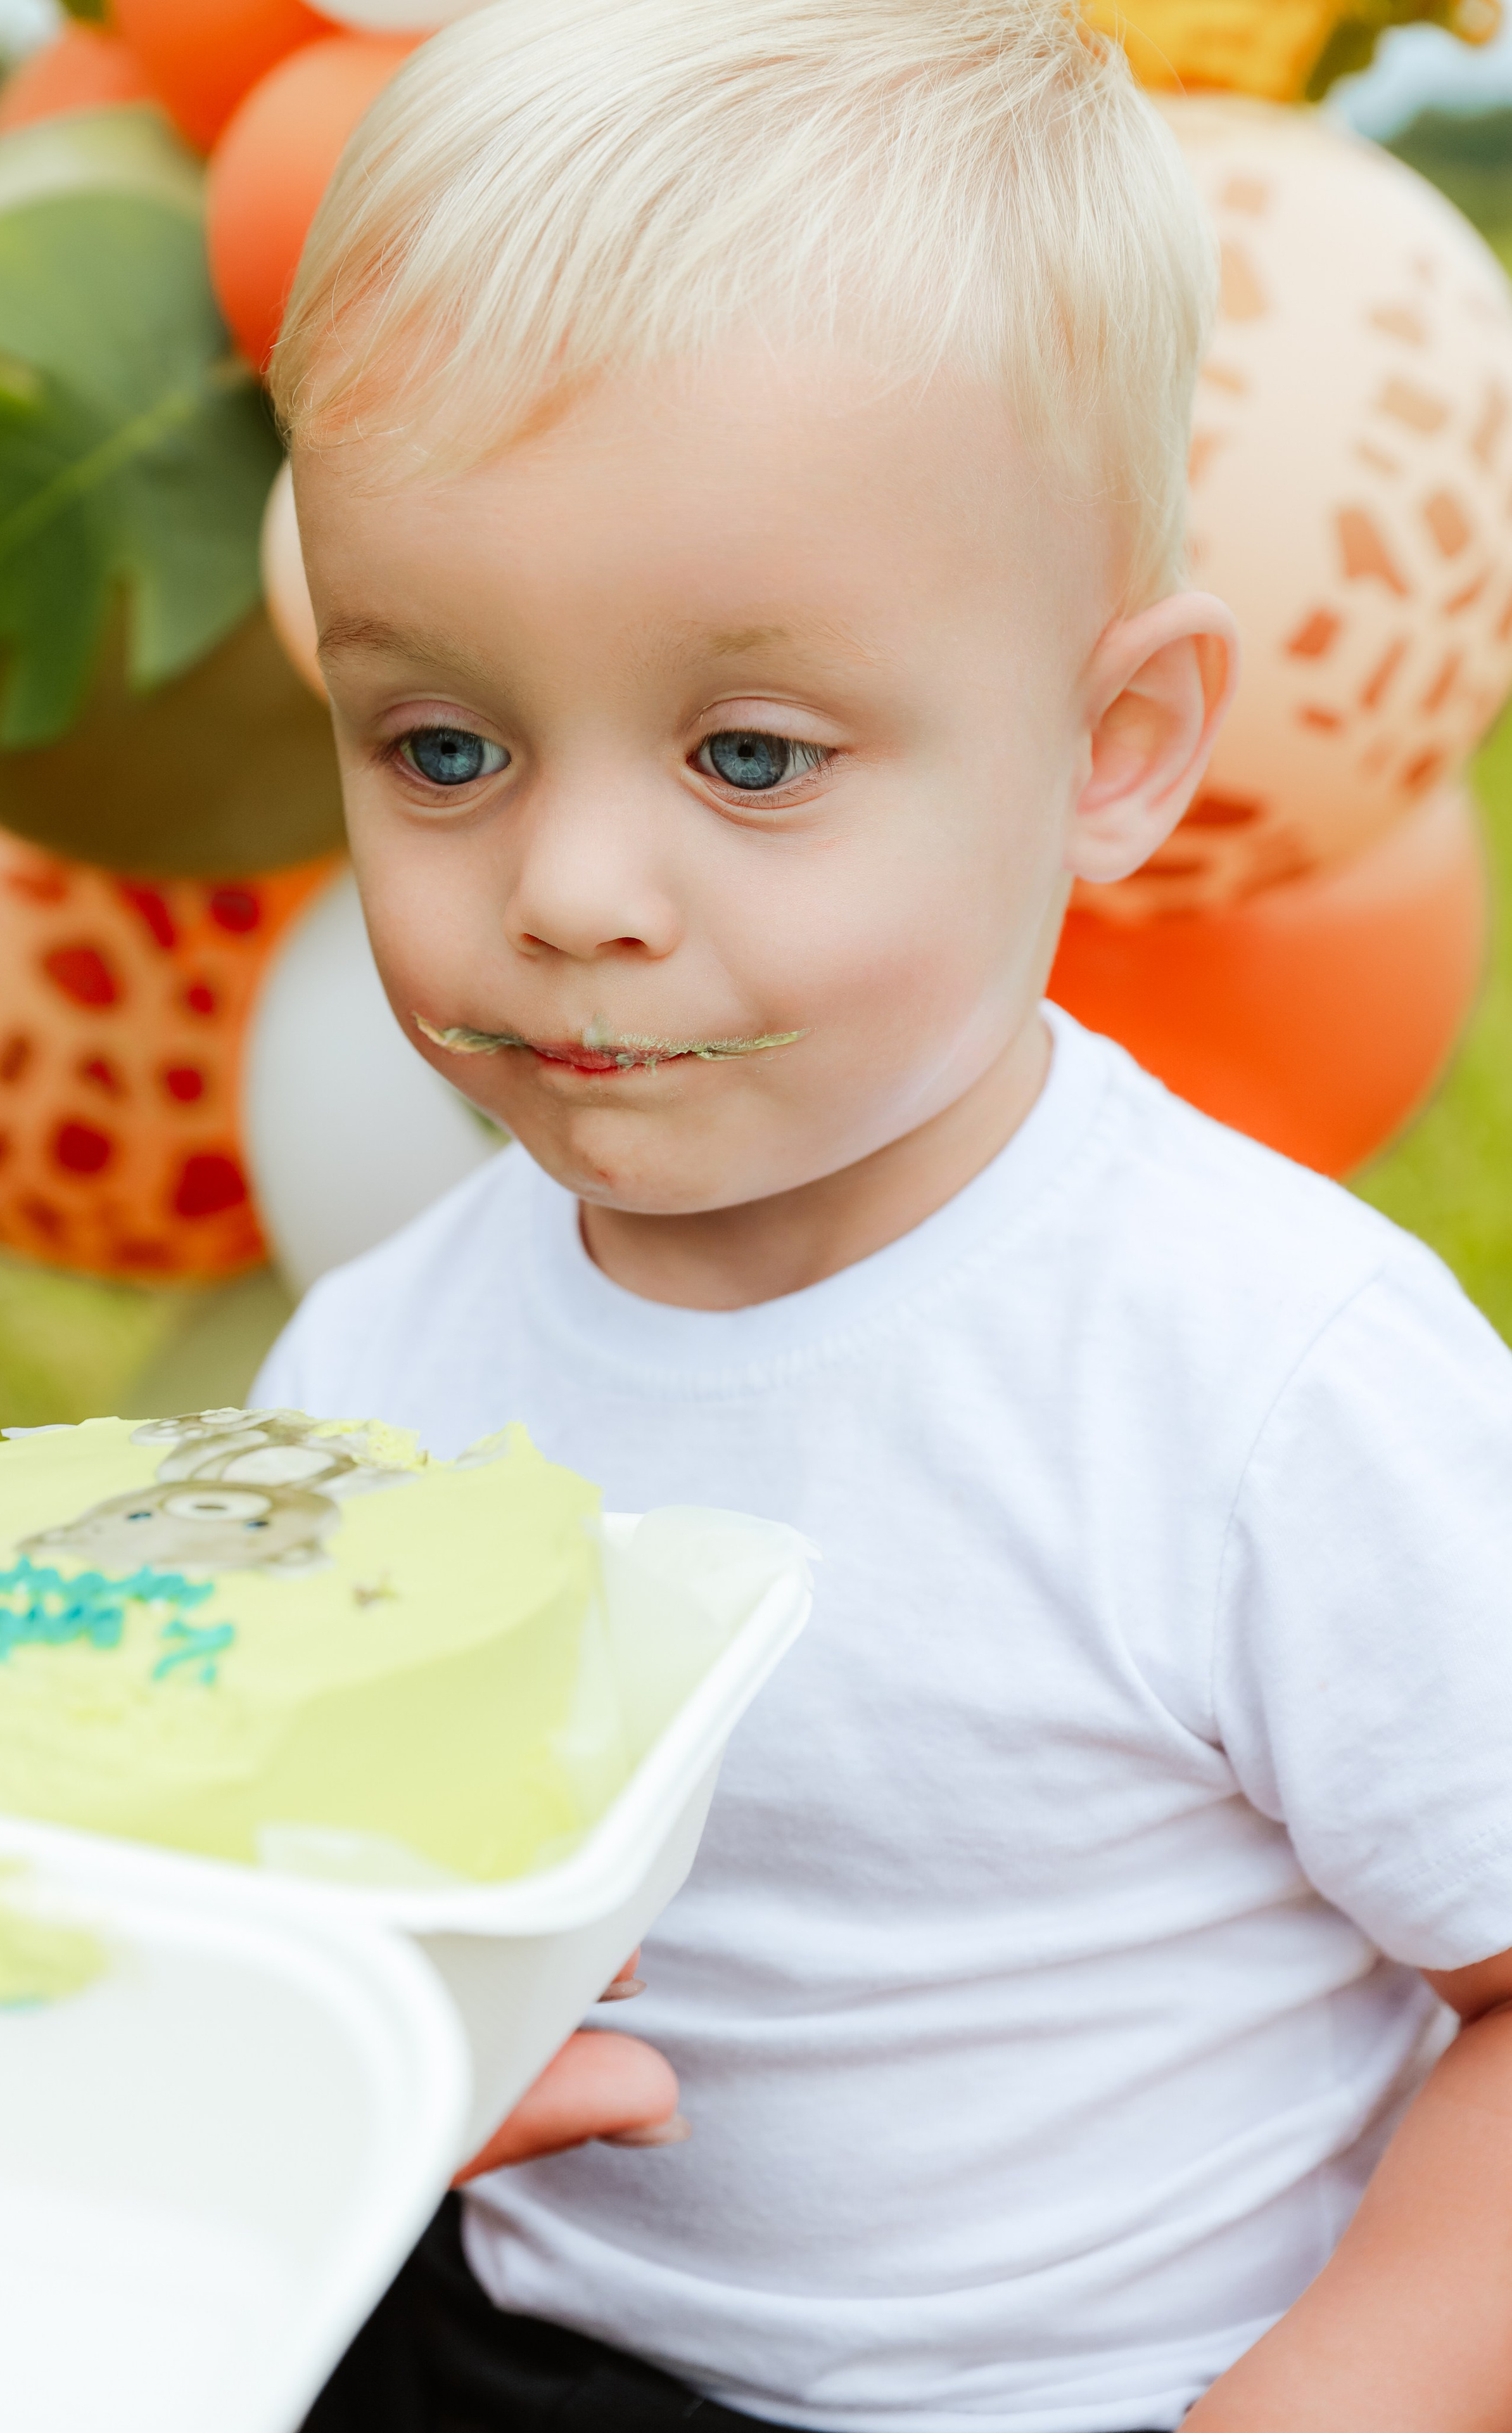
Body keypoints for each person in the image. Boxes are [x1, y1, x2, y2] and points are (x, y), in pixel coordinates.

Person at [260, 2, 1512, 2425]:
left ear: (1111, 750)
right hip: (509, 2349)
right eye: (445, 745)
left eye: (751, 755)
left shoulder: (1263, 1380)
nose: (572, 888)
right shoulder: (375, 1371)